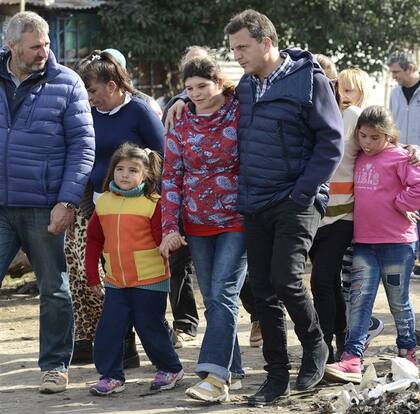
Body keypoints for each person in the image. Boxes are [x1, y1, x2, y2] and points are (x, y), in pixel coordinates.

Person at [225, 10, 344, 406]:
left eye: (242, 47)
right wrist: (178, 103)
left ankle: (315, 347)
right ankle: (275, 374)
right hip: (254, 200)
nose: (237, 55)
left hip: (296, 198)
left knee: (285, 278)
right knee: (261, 290)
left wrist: (304, 192)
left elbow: (331, 142)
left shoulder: (309, 80)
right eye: (233, 48)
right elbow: (209, 97)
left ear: (266, 42)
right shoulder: (245, 85)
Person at [0, 11, 95, 393]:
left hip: (45, 205)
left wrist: (68, 200)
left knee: (55, 289)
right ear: (11, 46)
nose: (45, 51)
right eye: (36, 45)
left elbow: (83, 147)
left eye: (47, 43)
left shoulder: (67, 82)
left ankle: (55, 366)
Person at [68, 49, 165, 366]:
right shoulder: (90, 112)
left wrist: (154, 202)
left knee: (137, 277)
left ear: (111, 85)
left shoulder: (139, 111)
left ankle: (149, 347)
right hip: (100, 205)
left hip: (137, 211)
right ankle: (124, 345)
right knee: (108, 275)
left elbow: (163, 156)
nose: (90, 98)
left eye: (94, 91)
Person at [160, 56, 247, 403]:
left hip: (237, 219)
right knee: (213, 298)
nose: (195, 93)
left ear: (218, 81)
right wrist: (169, 225)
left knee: (223, 292)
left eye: (202, 86)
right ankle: (234, 370)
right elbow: (171, 176)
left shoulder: (240, 111)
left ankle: (214, 376)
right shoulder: (180, 121)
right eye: (189, 88)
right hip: (197, 223)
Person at [324, 105, 420, 383]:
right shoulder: (359, 158)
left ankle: (407, 352)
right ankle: (352, 358)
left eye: (374, 137)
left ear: (388, 136)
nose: (367, 142)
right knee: (359, 301)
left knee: (398, 302)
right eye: (363, 136)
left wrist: (400, 204)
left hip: (397, 244)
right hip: (364, 243)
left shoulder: (402, 158)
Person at [85, 143, 183, 396]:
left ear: (146, 175)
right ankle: (111, 376)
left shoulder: (153, 203)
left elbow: (164, 238)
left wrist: (169, 245)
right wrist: (93, 275)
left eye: (132, 170)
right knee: (109, 328)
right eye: (120, 169)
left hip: (150, 279)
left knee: (149, 326)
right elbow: (94, 239)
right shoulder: (104, 201)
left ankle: (170, 368)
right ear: (112, 172)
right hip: (116, 280)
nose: (125, 175)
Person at [310, 66, 384, 363]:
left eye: (348, 88)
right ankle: (343, 340)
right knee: (329, 283)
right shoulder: (323, 113)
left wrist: (410, 150)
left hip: (343, 215)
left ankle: (324, 345)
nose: (341, 93)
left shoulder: (353, 116)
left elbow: (379, 147)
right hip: (317, 214)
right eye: (338, 86)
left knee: (321, 280)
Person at [387, 50, 420, 279]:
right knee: (407, 209)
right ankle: (411, 257)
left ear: (410, 68)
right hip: (402, 158)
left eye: (396, 72)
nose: (393, 76)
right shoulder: (395, 94)